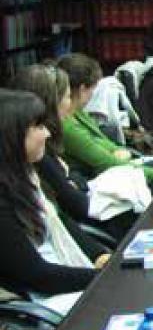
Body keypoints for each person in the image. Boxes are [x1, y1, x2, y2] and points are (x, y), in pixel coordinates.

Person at [0, 89, 109, 314]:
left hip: (68, 284)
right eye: (38, 126)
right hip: (47, 304)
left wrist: (99, 255)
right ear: (11, 135)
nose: (48, 133)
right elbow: (37, 275)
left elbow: (58, 220)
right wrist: (105, 277)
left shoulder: (25, 176)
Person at [11, 64, 139, 242]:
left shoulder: (46, 142)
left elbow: (73, 179)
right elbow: (74, 204)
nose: (70, 103)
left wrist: (76, 181)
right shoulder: (39, 153)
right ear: (52, 103)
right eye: (68, 96)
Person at [58, 54, 153, 187]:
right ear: (82, 89)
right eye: (93, 88)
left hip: (120, 169)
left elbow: (107, 145)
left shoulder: (78, 114)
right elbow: (109, 164)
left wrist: (121, 152)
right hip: (108, 180)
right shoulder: (69, 128)